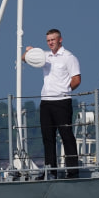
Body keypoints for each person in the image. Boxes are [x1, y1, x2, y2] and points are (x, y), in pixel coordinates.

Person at [25, 28, 81, 178]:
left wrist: (65, 90)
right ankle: (50, 171)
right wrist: (30, 52)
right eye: (48, 41)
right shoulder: (45, 56)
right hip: (46, 102)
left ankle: (72, 171)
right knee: (47, 138)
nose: (50, 43)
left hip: (62, 101)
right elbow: (24, 58)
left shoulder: (69, 57)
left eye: (53, 40)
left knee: (66, 136)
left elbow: (76, 79)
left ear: (60, 40)